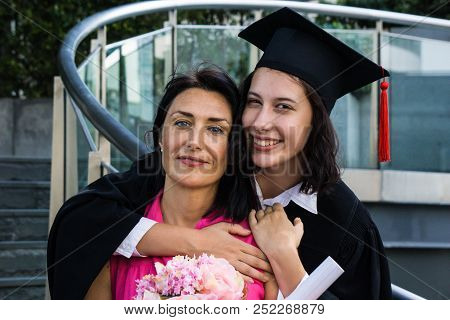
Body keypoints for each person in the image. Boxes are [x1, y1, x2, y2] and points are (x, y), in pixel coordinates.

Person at [48, 7, 391, 299]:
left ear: (315, 123)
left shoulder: (346, 223)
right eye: (254, 102)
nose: (260, 121)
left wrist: (285, 258)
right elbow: (83, 223)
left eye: (283, 107)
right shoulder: (205, 166)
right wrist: (196, 242)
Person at [48, 65, 304, 300]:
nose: (194, 141)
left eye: (215, 129)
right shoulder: (112, 247)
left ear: (233, 148)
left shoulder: (255, 252)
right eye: (182, 123)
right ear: (160, 138)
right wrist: (198, 243)